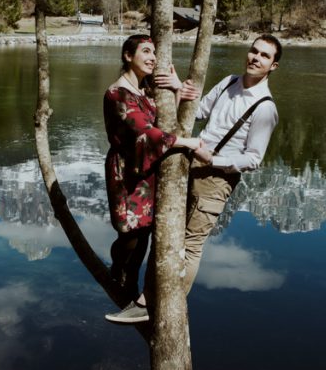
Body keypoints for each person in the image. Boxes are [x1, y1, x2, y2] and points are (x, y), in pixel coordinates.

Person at [105, 34, 281, 324]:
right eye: (254, 51)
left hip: (216, 179)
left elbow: (253, 158)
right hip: (188, 168)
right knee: (167, 234)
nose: (255, 58)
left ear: (273, 66)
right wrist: (177, 87)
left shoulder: (265, 108)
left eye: (264, 56)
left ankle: (156, 305)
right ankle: (144, 297)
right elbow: (197, 112)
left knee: (191, 243)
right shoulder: (228, 82)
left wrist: (214, 159)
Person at [103, 34, 202, 311]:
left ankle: (130, 285)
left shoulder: (145, 91)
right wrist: (188, 143)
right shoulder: (117, 94)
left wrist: (178, 89)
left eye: (155, 54)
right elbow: (146, 132)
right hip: (127, 173)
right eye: (145, 51)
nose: (152, 58)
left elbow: (164, 119)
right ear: (127, 55)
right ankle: (119, 268)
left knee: (144, 232)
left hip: (149, 171)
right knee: (129, 232)